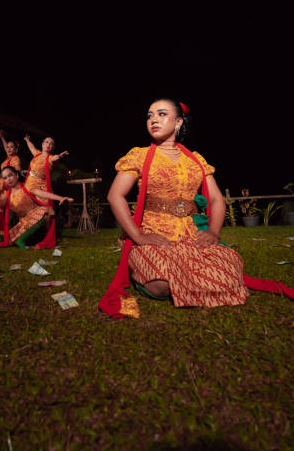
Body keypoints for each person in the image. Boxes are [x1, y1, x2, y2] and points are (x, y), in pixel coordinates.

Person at [99, 98, 294, 319]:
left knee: (231, 268)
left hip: (190, 234)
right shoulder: (139, 155)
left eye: (162, 114)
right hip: (153, 233)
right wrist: (139, 237)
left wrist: (213, 232)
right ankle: (149, 273)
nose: (153, 120)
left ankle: (189, 276)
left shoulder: (196, 160)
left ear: (179, 122)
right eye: (149, 115)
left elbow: (217, 200)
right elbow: (115, 195)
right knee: (160, 286)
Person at [0, 166, 73, 249]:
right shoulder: (6, 194)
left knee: (47, 210)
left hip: (36, 216)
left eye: (10, 175)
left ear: (17, 175)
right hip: (23, 222)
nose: (8, 179)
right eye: (5, 178)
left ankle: (21, 240)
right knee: (10, 237)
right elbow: (1, 201)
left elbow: (42, 193)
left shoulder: (27, 187)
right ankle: (27, 238)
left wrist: (60, 198)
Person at [23, 135, 69, 248]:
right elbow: (31, 147)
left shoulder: (50, 157)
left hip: (41, 187)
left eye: (51, 143)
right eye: (46, 142)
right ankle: (26, 236)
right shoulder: (37, 154)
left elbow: (56, 158)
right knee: (27, 210)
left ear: (52, 148)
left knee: (48, 212)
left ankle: (46, 236)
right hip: (28, 184)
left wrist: (61, 156)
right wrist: (27, 140)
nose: (48, 144)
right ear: (42, 144)